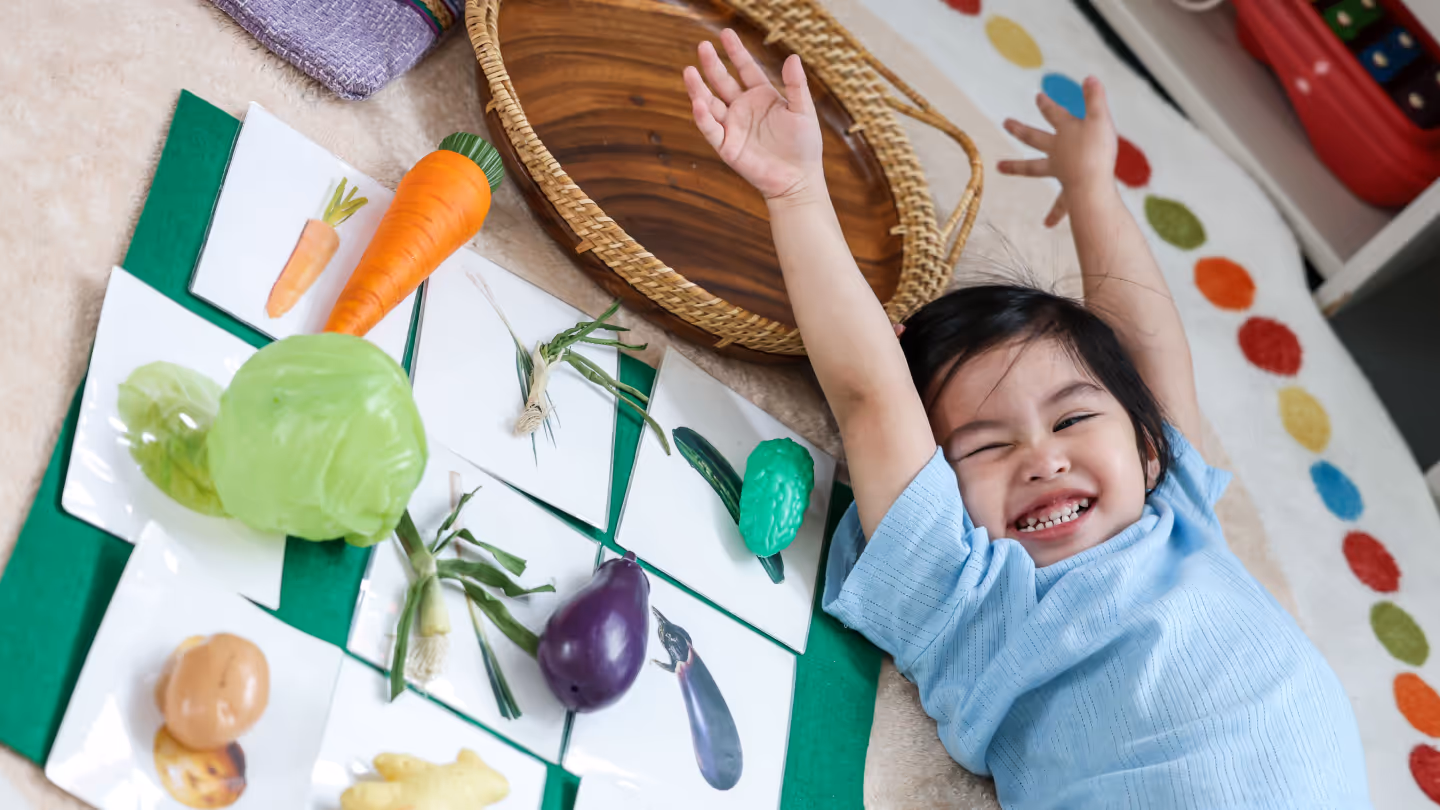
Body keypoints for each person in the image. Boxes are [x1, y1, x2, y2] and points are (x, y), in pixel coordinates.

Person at [682, 30, 1370, 808]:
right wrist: (797, 192)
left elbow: (1144, 340)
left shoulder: (1176, 506)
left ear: (1147, 448)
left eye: (1073, 420)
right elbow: (871, 397)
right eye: (986, 446)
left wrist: (1090, 190)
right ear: (938, 488)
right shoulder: (971, 596)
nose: (1042, 459)